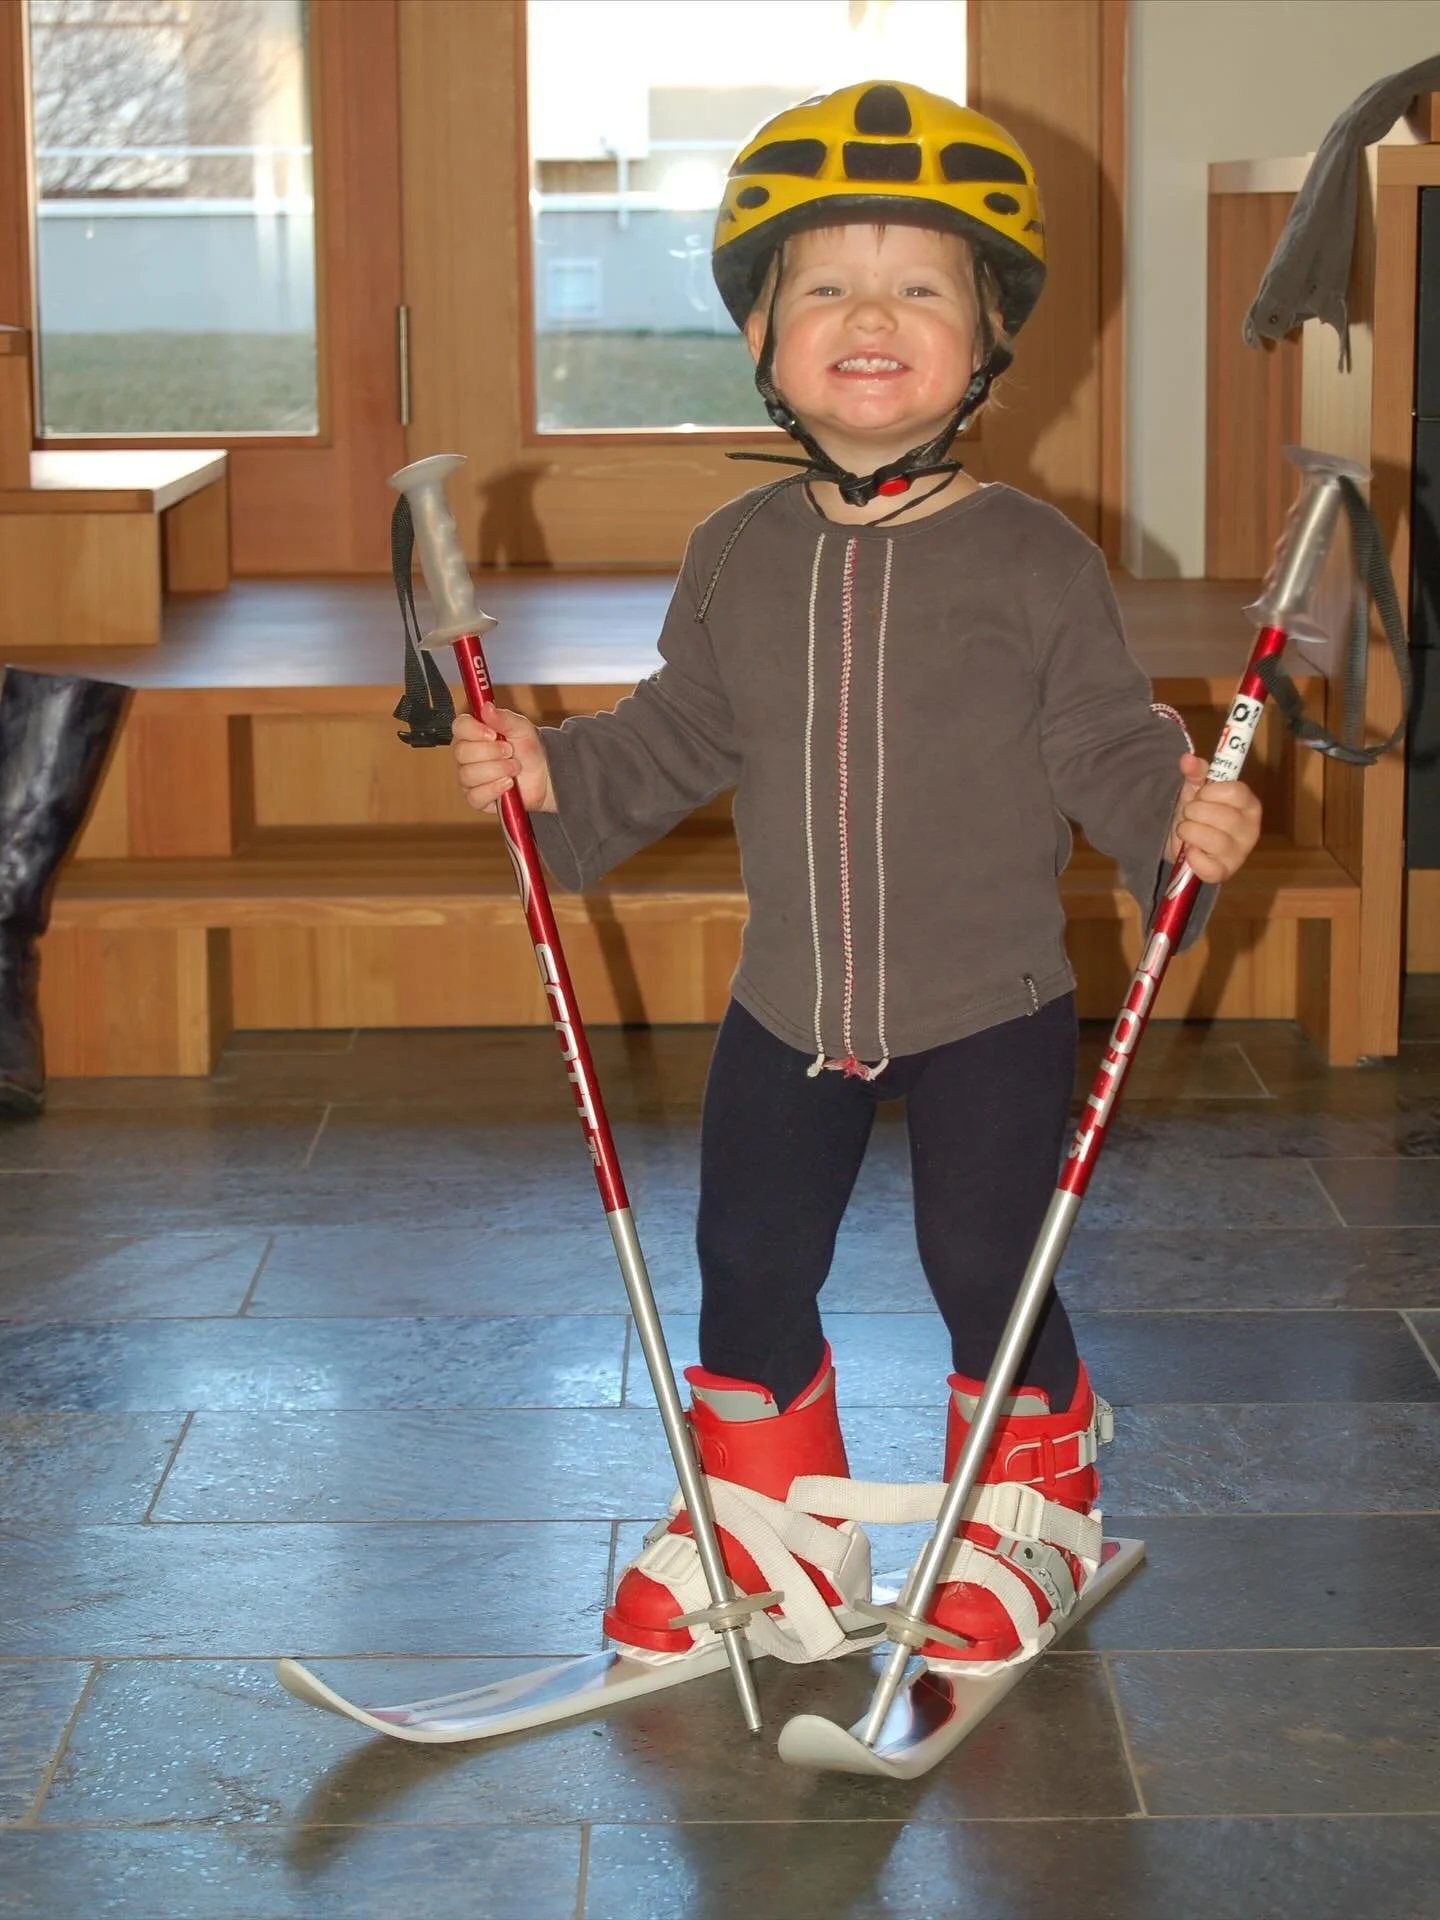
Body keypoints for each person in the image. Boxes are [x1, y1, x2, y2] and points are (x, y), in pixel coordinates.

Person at [451, 83, 1262, 1672]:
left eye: (919, 286)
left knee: (988, 1260)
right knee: (748, 1257)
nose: (868, 314)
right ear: (763, 336)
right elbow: (678, 728)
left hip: (993, 1004)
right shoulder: (739, 551)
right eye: (822, 284)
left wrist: (1179, 822)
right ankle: (772, 1523)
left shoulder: (1040, 560)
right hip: (790, 997)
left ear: (987, 343)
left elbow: (1107, 749)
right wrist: (559, 778)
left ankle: (1036, 1495)